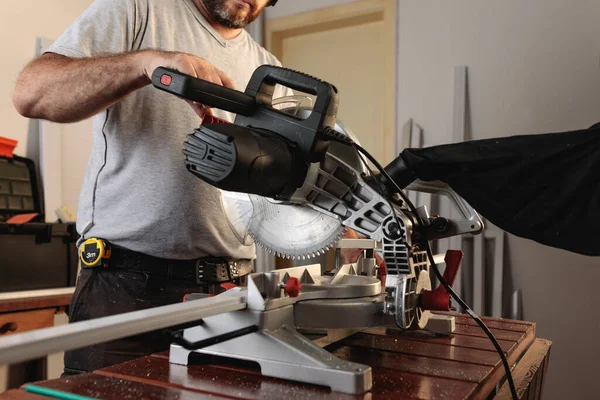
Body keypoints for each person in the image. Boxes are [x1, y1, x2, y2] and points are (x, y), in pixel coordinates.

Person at [12, 0, 289, 374]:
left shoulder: (270, 70)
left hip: (230, 294)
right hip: (124, 287)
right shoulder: (138, 9)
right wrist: (144, 65)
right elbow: (32, 93)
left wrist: (352, 232)